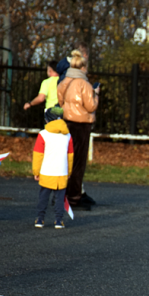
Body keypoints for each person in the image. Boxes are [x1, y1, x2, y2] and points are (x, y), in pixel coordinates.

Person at [57, 49, 99, 210]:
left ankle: (62, 193)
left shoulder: (64, 82)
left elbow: (61, 102)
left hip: (67, 123)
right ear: (82, 67)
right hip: (81, 125)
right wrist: (96, 95)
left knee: (67, 159)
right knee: (78, 162)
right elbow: (91, 105)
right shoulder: (84, 84)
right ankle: (74, 196)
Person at [33, 106, 74, 229]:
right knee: (59, 198)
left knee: (43, 197)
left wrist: (36, 171)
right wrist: (69, 171)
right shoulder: (68, 136)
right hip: (61, 172)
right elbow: (70, 156)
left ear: (48, 120)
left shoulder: (43, 134)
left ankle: (40, 219)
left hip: (46, 171)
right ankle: (58, 221)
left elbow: (38, 155)